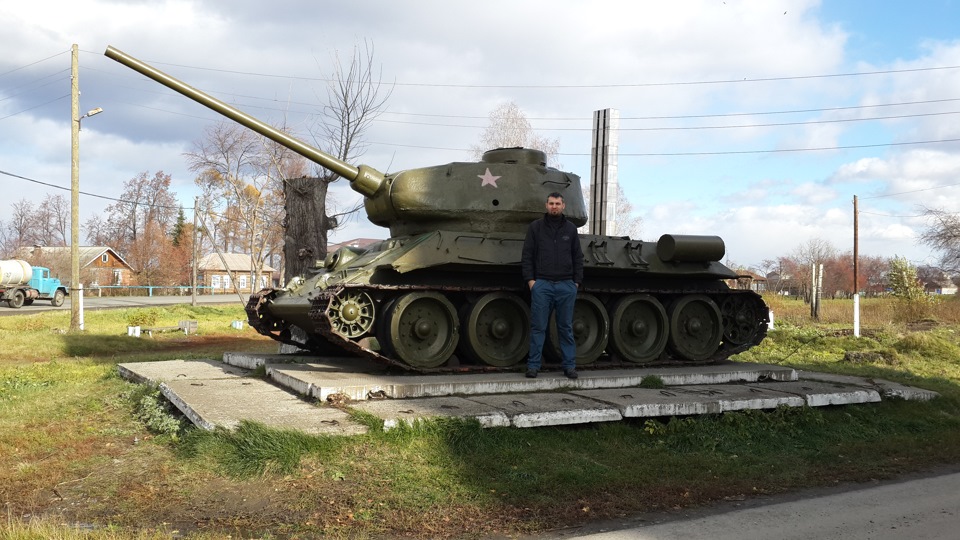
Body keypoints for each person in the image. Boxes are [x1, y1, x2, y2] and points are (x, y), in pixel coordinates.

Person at [521, 191, 584, 379]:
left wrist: (576, 283)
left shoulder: (571, 229)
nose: (554, 206)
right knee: (538, 326)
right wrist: (532, 282)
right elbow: (527, 256)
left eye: (557, 203)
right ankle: (533, 366)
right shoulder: (536, 228)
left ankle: (569, 366)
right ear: (546, 205)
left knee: (565, 327)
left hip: (566, 285)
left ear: (563, 205)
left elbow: (577, 257)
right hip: (543, 284)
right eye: (551, 203)